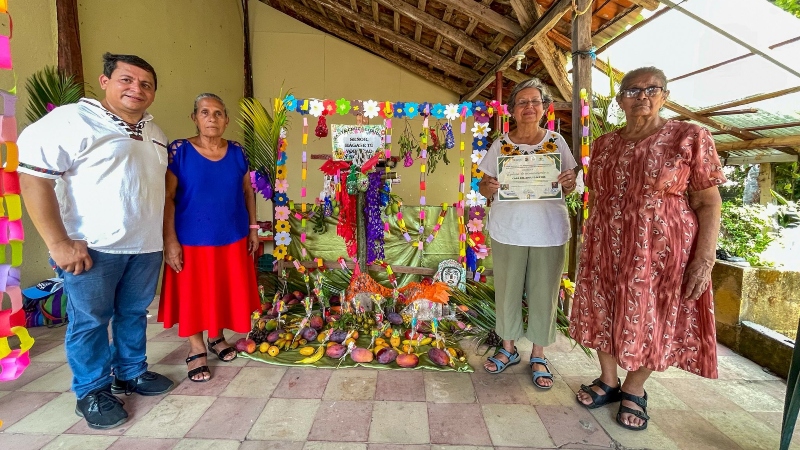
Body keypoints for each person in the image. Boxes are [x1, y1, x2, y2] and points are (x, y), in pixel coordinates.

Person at [18, 53, 174, 429]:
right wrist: (58, 243)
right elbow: (33, 178)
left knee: (134, 313)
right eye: (126, 80)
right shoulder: (73, 120)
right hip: (92, 248)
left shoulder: (155, 132)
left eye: (146, 84)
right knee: (89, 321)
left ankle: (131, 372)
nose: (137, 88)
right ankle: (92, 391)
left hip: (144, 245)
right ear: (105, 82)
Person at [570, 66, 726, 431]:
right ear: (620, 99)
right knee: (601, 308)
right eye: (632, 91)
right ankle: (608, 380)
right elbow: (594, 190)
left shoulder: (689, 136)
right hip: (604, 246)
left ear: (664, 95)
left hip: (660, 250)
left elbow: (708, 201)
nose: (642, 96)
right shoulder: (606, 143)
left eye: (651, 89)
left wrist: (704, 257)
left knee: (656, 315)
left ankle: (635, 389)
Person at [477, 78, 578, 389]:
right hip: (508, 229)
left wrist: (569, 182)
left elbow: (572, 183)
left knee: (543, 293)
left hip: (548, 230)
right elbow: (483, 186)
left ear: (545, 109)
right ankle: (508, 350)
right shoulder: (500, 146)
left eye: (535, 102)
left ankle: (538, 353)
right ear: (513, 110)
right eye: (523, 102)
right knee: (507, 290)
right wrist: (489, 187)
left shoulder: (557, 143)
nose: (529, 107)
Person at [157, 93, 260, 382]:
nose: (211, 118)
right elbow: (168, 196)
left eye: (218, 113)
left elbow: (247, 192)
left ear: (226, 119)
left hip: (233, 236)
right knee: (194, 294)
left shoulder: (238, 152)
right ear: (195, 118)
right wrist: (170, 240)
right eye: (204, 112)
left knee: (222, 290)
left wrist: (253, 229)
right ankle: (196, 347)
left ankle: (217, 337)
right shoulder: (180, 151)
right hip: (191, 238)